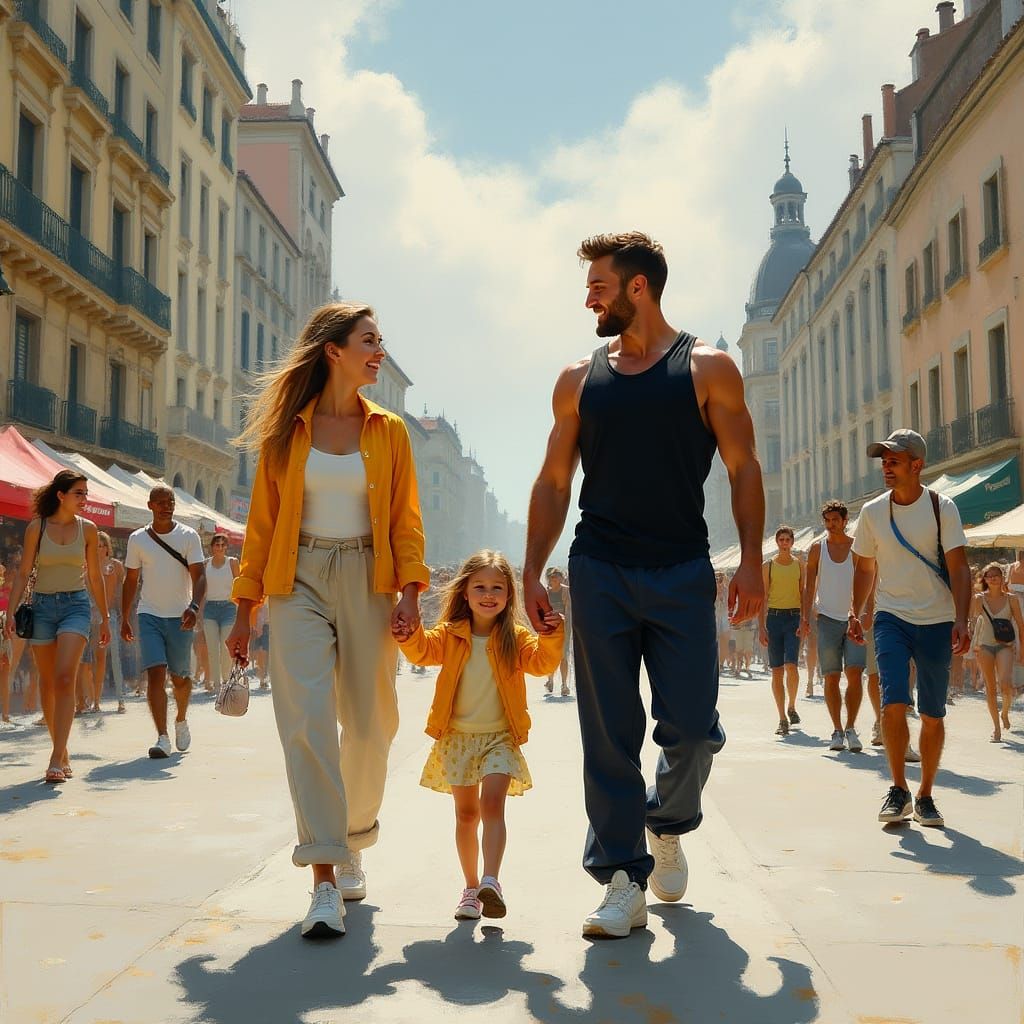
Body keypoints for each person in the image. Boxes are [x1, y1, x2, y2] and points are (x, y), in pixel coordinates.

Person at [523, 232, 764, 939]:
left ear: (638, 288)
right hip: (599, 566)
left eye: (598, 285)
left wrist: (750, 561)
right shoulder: (576, 380)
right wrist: (533, 570)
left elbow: (744, 468)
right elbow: (553, 480)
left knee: (692, 727)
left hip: (682, 566)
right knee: (609, 731)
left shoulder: (709, 369)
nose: (588, 298)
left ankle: (668, 823)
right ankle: (622, 878)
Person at [225, 301, 428, 941]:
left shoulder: (389, 430)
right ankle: (322, 877)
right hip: (299, 579)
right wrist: (244, 606)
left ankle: (352, 837)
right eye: (370, 340)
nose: (379, 351)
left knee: (372, 724)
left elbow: (405, 517)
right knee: (307, 720)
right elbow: (261, 525)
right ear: (334, 350)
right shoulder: (289, 432)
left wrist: (410, 593)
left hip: (369, 578)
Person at [397, 550, 564, 920]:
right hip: (456, 737)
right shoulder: (450, 635)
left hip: (499, 737)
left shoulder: (515, 638)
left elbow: (542, 663)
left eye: (497, 588)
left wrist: (552, 635)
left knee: (492, 805)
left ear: (509, 596)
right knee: (466, 815)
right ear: (465, 592)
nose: (488, 594)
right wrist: (408, 636)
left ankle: (491, 880)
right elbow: (422, 652)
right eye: (480, 587)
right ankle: (470, 889)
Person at [849, 430, 971, 828]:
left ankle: (925, 795)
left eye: (894, 459)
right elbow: (865, 567)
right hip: (891, 617)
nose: (886, 465)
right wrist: (858, 612)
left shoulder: (942, 508)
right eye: (883, 459)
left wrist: (962, 619)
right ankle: (899, 787)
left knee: (933, 714)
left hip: (937, 620)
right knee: (893, 700)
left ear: (916, 464)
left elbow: (959, 567)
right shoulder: (872, 513)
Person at [3, 471, 110, 782]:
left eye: (86, 493)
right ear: (61, 495)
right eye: (79, 493)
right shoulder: (37, 527)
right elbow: (23, 573)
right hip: (42, 608)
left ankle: (53, 759)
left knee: (65, 678)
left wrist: (103, 617)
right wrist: (10, 612)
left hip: (76, 607)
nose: (85, 499)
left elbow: (94, 577)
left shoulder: (88, 530)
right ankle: (61, 750)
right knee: (49, 684)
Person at [121, 487, 206, 759]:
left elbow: (200, 576)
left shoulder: (188, 536)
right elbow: (131, 580)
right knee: (155, 673)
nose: (166, 507)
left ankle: (180, 719)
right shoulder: (137, 539)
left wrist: (194, 607)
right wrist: (124, 617)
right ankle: (162, 736)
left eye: (170, 502)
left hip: (181, 616)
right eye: (160, 503)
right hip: (149, 614)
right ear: (150, 506)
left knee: (180, 678)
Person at [801, 500, 866, 752]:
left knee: (855, 674)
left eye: (835, 520)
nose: (831, 525)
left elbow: (867, 579)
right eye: (827, 521)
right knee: (831, 676)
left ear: (845, 520)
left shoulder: (857, 548)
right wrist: (805, 618)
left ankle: (851, 728)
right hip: (826, 619)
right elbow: (808, 587)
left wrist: (864, 612)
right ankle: (837, 730)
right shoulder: (817, 549)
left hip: (853, 619)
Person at [970, 562, 1023, 742]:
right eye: (988, 575)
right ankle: (996, 729)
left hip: (1005, 646)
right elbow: (975, 625)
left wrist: (1022, 650)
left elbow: (1021, 627)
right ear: (984, 579)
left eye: (996, 575)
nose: (992, 578)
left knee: (1006, 684)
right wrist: (973, 647)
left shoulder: (1012, 599)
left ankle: (1005, 712)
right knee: (990, 688)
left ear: (1002, 578)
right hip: (984, 646)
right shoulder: (978, 599)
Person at [759, 526, 804, 736]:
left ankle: (792, 705)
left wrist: (805, 619)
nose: (784, 543)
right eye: (781, 540)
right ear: (777, 542)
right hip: (774, 618)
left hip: (794, 618)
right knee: (777, 670)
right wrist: (761, 626)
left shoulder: (798, 564)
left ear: (792, 542)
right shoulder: (768, 566)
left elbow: (803, 593)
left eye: (787, 539)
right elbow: (763, 597)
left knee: (792, 666)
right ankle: (782, 718)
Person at [200, 534, 238, 694]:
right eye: (217, 545)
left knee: (225, 645)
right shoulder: (205, 564)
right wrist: (198, 612)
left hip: (229, 607)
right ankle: (216, 684)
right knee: (212, 648)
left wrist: (242, 610)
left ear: (226, 547)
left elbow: (239, 585)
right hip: (210, 608)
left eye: (223, 545)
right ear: (212, 547)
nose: (220, 548)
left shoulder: (233, 563)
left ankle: (226, 679)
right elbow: (202, 591)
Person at [97, 532, 127, 713]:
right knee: (96, 660)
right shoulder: (88, 566)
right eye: (96, 546)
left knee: (115, 658)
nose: (99, 549)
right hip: (92, 615)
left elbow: (121, 592)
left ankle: (121, 699)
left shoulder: (116, 566)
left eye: (102, 545)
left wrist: (124, 615)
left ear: (108, 547)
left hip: (112, 615)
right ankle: (95, 700)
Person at [543, 567, 572, 696]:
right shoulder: (546, 593)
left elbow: (569, 611)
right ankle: (550, 680)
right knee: (550, 655)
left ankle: (564, 685)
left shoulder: (566, 591)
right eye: (551, 576)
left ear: (561, 577)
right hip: (550, 628)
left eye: (556, 576)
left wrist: (565, 624)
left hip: (564, 627)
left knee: (563, 656)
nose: (553, 578)